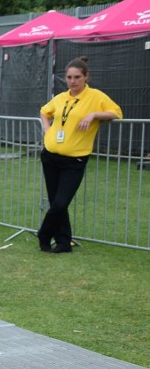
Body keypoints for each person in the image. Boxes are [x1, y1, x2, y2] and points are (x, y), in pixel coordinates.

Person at [37, 56, 122, 253]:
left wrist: (94, 115)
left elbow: (116, 112)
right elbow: (44, 110)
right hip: (50, 156)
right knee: (56, 201)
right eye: (69, 77)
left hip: (74, 160)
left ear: (86, 77)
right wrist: (47, 127)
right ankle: (64, 242)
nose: (72, 81)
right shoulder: (61, 97)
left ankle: (44, 234)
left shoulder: (95, 96)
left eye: (77, 77)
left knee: (60, 202)